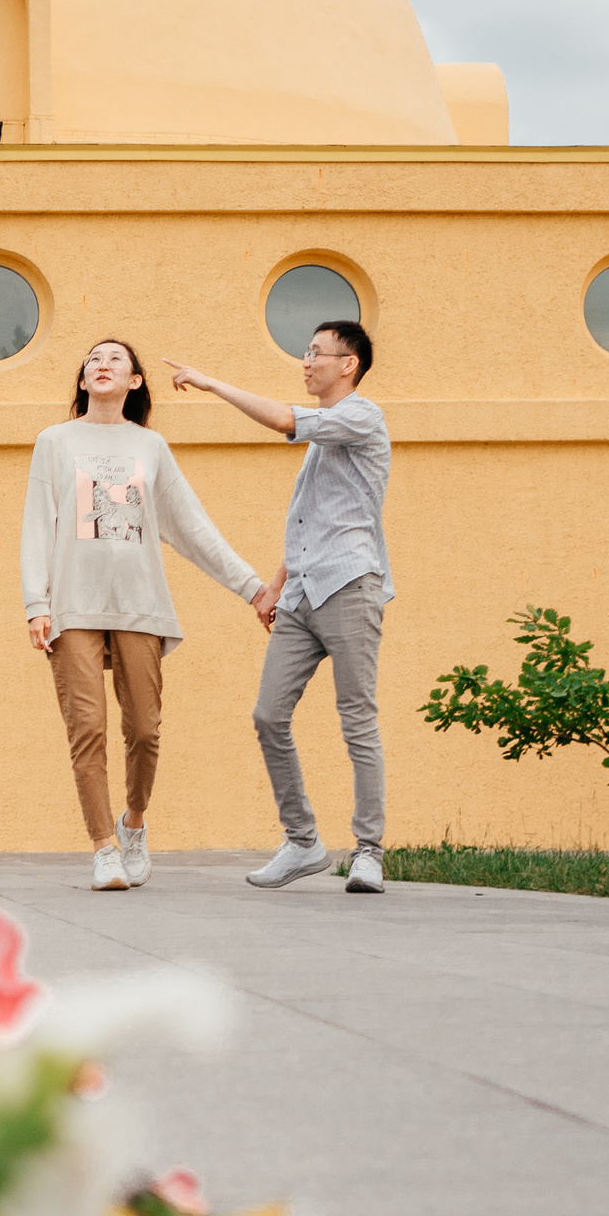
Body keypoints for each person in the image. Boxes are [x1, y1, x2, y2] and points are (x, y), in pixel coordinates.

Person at [22, 339, 278, 892]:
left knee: (144, 730)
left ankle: (133, 822)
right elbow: (38, 524)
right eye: (93, 359)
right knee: (86, 729)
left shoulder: (151, 447)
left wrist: (253, 588)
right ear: (84, 380)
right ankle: (103, 848)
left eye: (115, 359)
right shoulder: (55, 442)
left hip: (141, 604)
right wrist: (35, 603)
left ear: (135, 380)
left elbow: (193, 528)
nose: (102, 364)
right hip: (74, 605)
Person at [166, 322, 391, 893]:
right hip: (301, 597)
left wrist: (212, 383)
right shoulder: (324, 443)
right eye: (306, 352)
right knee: (269, 715)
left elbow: (284, 419)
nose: (307, 361)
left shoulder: (362, 417)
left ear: (349, 364)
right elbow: (309, 524)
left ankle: (369, 851)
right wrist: (272, 587)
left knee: (357, 718)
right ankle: (303, 841)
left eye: (317, 353)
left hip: (350, 585)